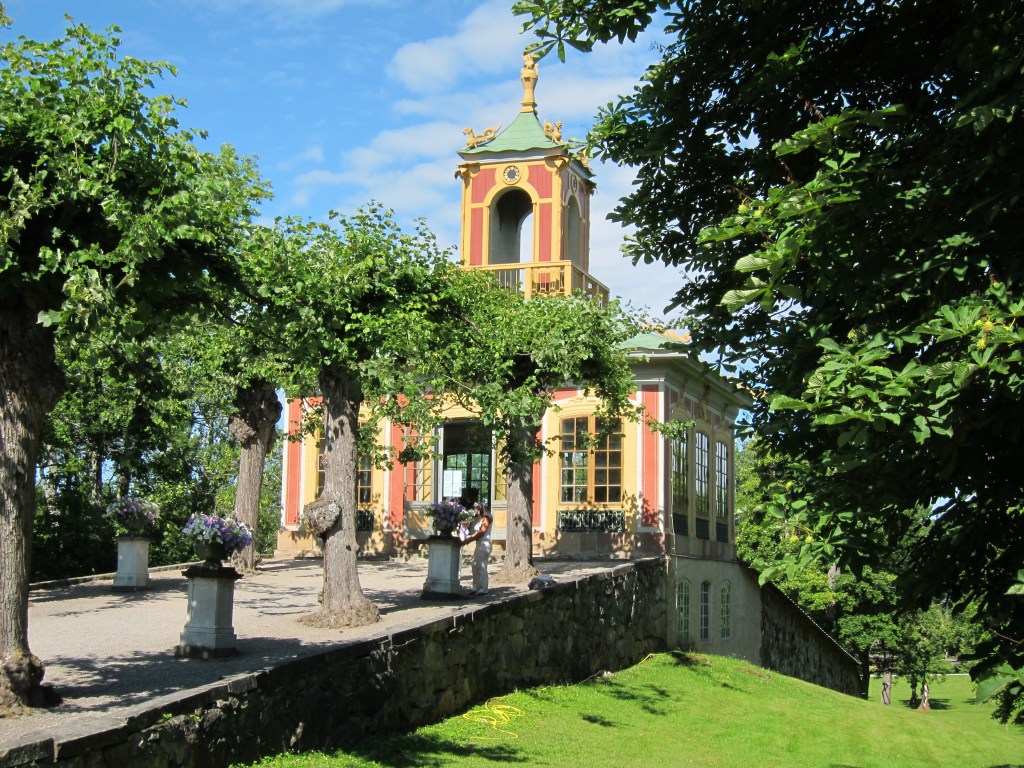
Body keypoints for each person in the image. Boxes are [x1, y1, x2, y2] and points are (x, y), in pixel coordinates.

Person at [462, 502, 492, 595]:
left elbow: (482, 531)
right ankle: (476, 586)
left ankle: (483, 588)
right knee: (474, 564)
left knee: (482, 566)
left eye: (476, 509)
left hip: (484, 543)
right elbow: (476, 531)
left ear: (480, 509)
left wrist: (470, 538)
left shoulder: (486, 518)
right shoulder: (480, 519)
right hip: (479, 543)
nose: (475, 511)